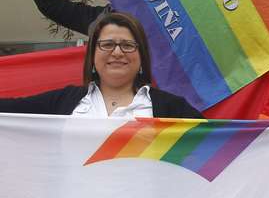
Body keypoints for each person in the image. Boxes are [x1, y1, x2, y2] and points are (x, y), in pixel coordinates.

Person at [0, 11, 201, 119]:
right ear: (93, 57)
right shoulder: (63, 101)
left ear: (142, 58)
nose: (117, 52)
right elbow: (9, 110)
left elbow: (218, 146)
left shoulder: (172, 108)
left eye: (128, 45)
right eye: (107, 44)